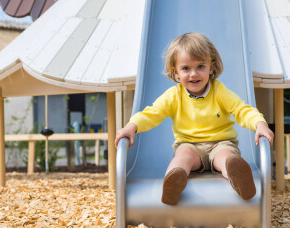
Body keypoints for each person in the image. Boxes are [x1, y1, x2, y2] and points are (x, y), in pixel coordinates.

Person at [114, 32, 274, 205]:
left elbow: (242, 110)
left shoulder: (219, 91)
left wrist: (260, 124)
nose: (193, 74)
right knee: (183, 157)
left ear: (211, 68)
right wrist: (132, 126)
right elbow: (152, 113)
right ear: (175, 72)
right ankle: (174, 181)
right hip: (189, 145)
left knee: (225, 157)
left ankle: (237, 177)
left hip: (221, 142)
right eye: (186, 68)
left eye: (200, 66)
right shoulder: (174, 96)